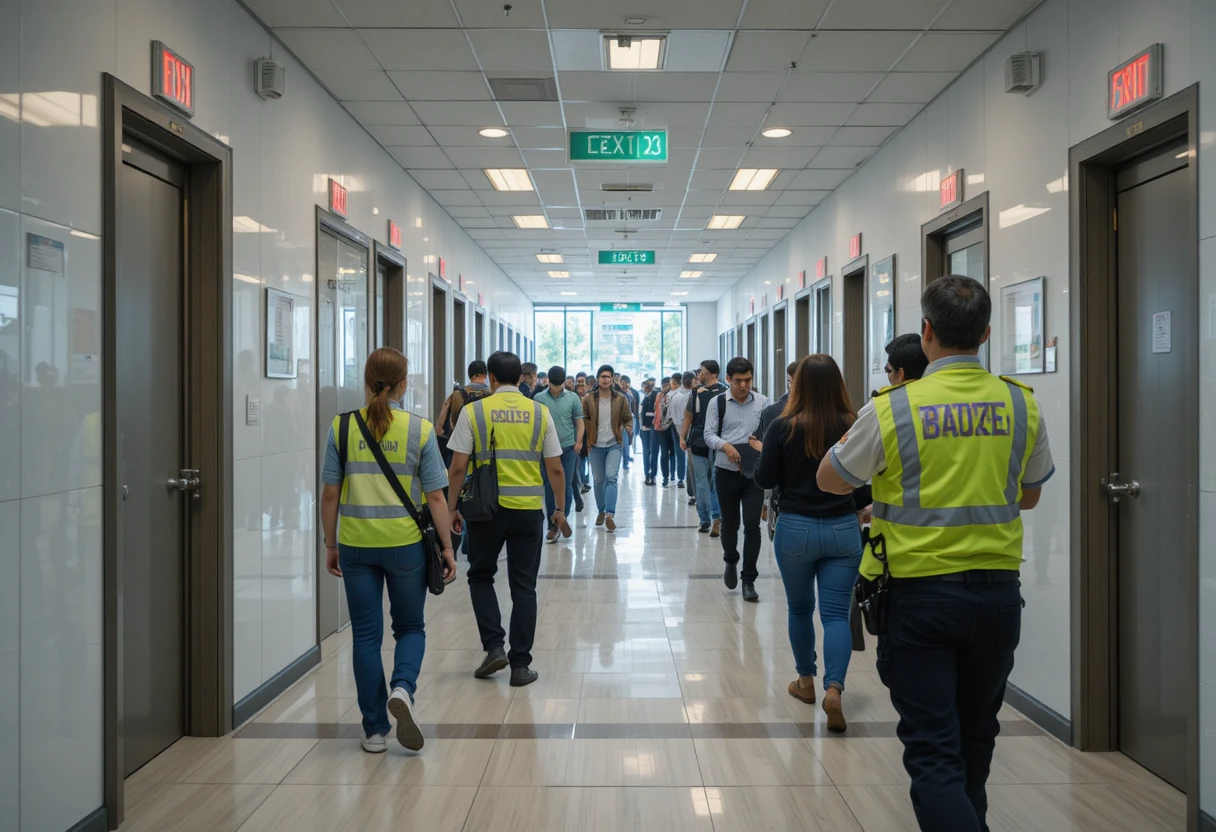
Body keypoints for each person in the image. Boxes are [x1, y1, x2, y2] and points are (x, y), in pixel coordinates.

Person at [817, 276, 1055, 832]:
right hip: (997, 600)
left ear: (926, 333)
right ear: (988, 333)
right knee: (975, 742)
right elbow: (1030, 494)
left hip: (920, 600)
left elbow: (832, 479)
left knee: (932, 755)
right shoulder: (1020, 404)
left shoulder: (896, 408)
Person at [320, 347, 457, 754]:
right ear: (403, 384)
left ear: (367, 381)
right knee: (410, 627)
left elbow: (330, 494)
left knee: (365, 637)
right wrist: (447, 548)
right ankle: (402, 688)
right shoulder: (419, 429)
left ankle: (375, 731)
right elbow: (435, 498)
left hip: (357, 544)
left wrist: (331, 543)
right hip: (404, 546)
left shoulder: (341, 428)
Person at [753, 355, 865, 732]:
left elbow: (764, 477)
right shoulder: (853, 425)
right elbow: (865, 482)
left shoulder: (782, 426)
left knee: (800, 609)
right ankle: (835, 689)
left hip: (796, 528)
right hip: (842, 527)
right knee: (835, 615)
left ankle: (805, 682)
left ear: (797, 385)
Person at [446, 351, 567, 688]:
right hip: (528, 511)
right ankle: (520, 665)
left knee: (481, 575)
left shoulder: (475, 412)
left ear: (492, 379)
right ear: (520, 379)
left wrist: (452, 507)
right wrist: (558, 508)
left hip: (487, 511)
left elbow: (457, 467)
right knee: (524, 586)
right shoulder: (540, 412)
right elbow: (555, 467)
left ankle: (494, 645)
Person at [704, 357, 770, 602]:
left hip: (754, 475)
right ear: (728, 380)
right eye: (739, 381)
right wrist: (726, 446)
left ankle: (749, 580)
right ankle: (731, 559)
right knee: (730, 525)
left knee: (752, 526)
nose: (744, 385)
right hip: (726, 472)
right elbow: (708, 434)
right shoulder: (717, 403)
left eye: (748, 380)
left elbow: (770, 433)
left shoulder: (763, 403)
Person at [534, 365, 584, 543]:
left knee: (567, 485)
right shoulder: (539, 398)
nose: (556, 389)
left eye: (559, 385)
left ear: (563, 382)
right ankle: (552, 524)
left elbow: (580, 423)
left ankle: (561, 517)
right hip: (546, 450)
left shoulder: (573, 398)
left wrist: (578, 442)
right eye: (553, 385)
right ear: (548, 381)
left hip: (568, 448)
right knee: (549, 486)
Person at [582, 364, 633, 532]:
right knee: (598, 480)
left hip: (614, 443)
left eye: (608, 376)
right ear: (597, 379)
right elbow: (582, 419)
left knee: (611, 477)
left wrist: (629, 428)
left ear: (613, 379)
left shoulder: (620, 398)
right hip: (595, 445)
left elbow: (628, 417)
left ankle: (610, 514)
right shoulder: (588, 398)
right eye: (602, 376)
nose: (605, 379)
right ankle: (601, 510)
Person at [682, 360, 727, 535]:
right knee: (710, 481)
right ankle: (713, 517)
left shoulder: (705, 393)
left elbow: (688, 417)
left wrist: (683, 436)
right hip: (710, 440)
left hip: (707, 440)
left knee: (705, 480)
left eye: (701, 371)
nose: (698, 375)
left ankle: (709, 519)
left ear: (709, 373)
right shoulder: (720, 392)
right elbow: (689, 416)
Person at [672, 371, 697, 504]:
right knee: (691, 463)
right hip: (688, 433)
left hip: (684, 432)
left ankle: (693, 492)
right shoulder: (682, 396)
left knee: (690, 463)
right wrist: (684, 435)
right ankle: (693, 493)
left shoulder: (682, 395)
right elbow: (681, 419)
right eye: (694, 380)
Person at [654, 374, 680, 487]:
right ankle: (665, 477)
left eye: (667, 385)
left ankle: (673, 474)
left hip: (672, 426)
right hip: (661, 427)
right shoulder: (660, 395)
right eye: (664, 385)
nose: (666, 387)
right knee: (664, 452)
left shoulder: (673, 395)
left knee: (673, 451)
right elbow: (656, 409)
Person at [639, 378, 659, 486]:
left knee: (653, 451)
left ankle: (653, 474)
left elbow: (655, 413)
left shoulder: (656, 396)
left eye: (649, 385)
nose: (646, 388)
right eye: (645, 386)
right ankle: (647, 474)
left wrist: (648, 416)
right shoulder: (644, 397)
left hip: (652, 427)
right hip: (644, 428)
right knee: (646, 451)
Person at [619, 375, 638, 470]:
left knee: (629, 441)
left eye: (626, 383)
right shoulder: (619, 394)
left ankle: (626, 460)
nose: (624, 385)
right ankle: (625, 462)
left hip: (631, 419)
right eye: (622, 382)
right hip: (623, 421)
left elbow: (633, 406)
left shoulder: (630, 393)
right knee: (625, 442)